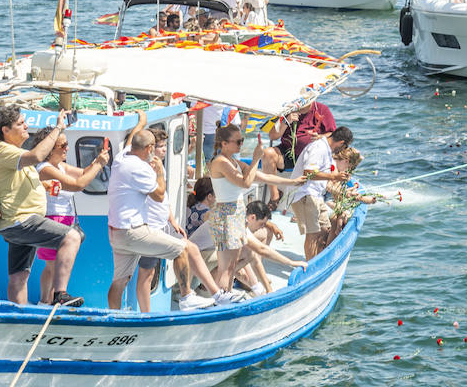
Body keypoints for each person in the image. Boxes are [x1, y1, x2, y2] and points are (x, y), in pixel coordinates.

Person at [106, 112, 233, 309]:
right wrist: (158, 174)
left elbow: (133, 140)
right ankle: (186, 297)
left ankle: (112, 317)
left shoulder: (122, 158)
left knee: (120, 281)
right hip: (134, 231)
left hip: (116, 232)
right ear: (149, 148)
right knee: (182, 249)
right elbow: (159, 194)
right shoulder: (141, 168)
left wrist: (141, 123)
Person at [0, 104, 85, 307]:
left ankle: (20, 317)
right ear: (5, 130)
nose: (26, 126)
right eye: (20, 123)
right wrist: (58, 128)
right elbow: (37, 156)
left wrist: (42, 185)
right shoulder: (4, 150)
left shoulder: (14, 153)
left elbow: (14, 183)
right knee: (72, 237)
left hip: (16, 223)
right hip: (22, 221)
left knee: (19, 276)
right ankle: (60, 295)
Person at [207, 124, 300, 292]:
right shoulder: (220, 162)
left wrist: (293, 182)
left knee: (233, 264)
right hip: (226, 217)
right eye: (238, 142)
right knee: (226, 267)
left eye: (242, 141)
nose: (240, 144)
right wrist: (256, 158)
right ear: (224, 144)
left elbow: (261, 176)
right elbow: (245, 182)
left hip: (234, 216)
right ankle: (221, 299)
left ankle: (225, 296)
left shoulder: (234, 161)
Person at [31, 126, 109, 306]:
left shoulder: (60, 166)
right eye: (63, 145)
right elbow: (77, 185)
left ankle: (47, 301)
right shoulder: (45, 169)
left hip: (64, 219)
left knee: (53, 266)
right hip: (51, 218)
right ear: (50, 149)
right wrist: (98, 165)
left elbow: (83, 173)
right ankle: (46, 302)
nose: (67, 148)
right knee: (52, 266)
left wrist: (98, 160)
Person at [287, 125, 354, 260]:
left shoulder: (326, 149)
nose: (343, 150)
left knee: (324, 230)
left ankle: (319, 259)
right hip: (304, 194)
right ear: (341, 143)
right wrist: (334, 177)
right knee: (313, 234)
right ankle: (310, 266)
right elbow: (308, 173)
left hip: (316, 195)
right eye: (345, 146)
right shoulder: (319, 148)